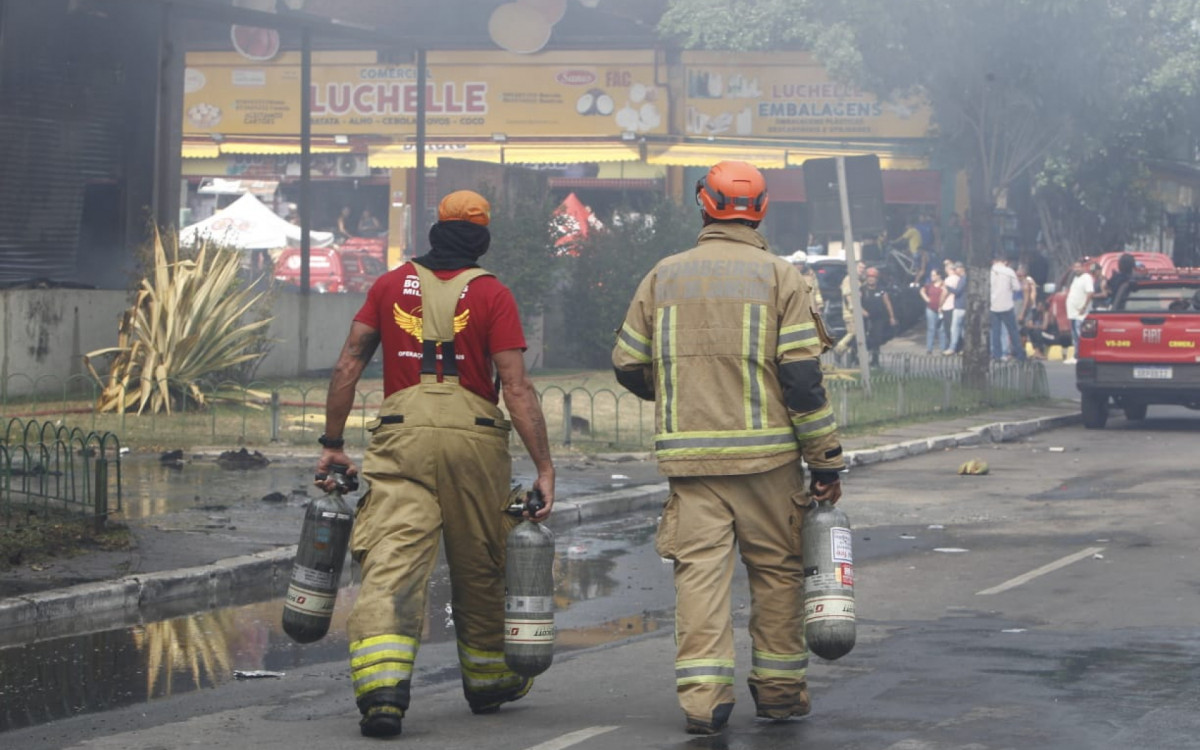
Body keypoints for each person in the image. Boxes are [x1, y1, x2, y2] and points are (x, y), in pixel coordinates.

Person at [612, 161, 845, 736]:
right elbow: (802, 382)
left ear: (702, 203)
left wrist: (674, 390)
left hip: (692, 465)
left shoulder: (663, 276)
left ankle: (703, 703)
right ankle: (781, 693)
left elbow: (626, 363)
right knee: (778, 574)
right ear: (761, 209)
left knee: (700, 578)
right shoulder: (780, 277)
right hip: (769, 463)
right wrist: (825, 460)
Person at [315, 190, 556, 738]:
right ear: (482, 237)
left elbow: (349, 362)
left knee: (392, 559)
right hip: (474, 441)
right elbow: (515, 388)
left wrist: (333, 442)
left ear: (435, 230)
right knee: (480, 564)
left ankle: (382, 692)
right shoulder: (493, 293)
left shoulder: (388, 285)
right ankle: (489, 679)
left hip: (401, 439)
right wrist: (544, 467)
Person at [989, 256, 1025, 362]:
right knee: (1013, 331)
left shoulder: (989, 271)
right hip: (1007, 304)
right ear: (1005, 262)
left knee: (995, 331)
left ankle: (997, 355)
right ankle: (1020, 355)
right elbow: (1017, 287)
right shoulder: (1009, 271)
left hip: (993, 305)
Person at [1065, 261, 1101, 364]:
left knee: (1079, 334)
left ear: (1083, 268)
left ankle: (1082, 355)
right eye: (1075, 267)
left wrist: (1084, 307)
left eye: (1079, 267)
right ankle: (1077, 355)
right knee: (1074, 335)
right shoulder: (1075, 278)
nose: (1077, 269)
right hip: (1072, 312)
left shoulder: (1086, 278)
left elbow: (1090, 293)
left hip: (1080, 312)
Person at [861, 266, 897, 366]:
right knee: (864, 339)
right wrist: (862, 311)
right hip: (866, 318)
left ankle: (875, 359)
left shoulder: (881, 290)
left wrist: (891, 317)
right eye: (869, 277)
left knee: (877, 338)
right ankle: (858, 358)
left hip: (878, 318)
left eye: (873, 277)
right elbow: (856, 302)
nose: (871, 279)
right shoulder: (862, 289)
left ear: (876, 279)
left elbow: (887, 302)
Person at [920, 268, 947, 354]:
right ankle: (929, 348)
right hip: (930, 308)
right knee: (931, 328)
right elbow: (922, 290)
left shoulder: (944, 284)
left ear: (939, 275)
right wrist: (927, 299)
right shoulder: (929, 284)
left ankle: (943, 348)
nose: (932, 277)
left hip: (941, 309)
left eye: (934, 275)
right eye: (931, 275)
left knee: (942, 329)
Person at [943, 261, 967, 354]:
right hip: (961, 306)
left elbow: (957, 291)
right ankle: (963, 348)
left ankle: (952, 348)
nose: (955, 270)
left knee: (955, 328)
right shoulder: (961, 278)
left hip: (960, 306)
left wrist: (947, 287)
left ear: (961, 268)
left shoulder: (964, 279)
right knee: (962, 329)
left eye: (956, 268)